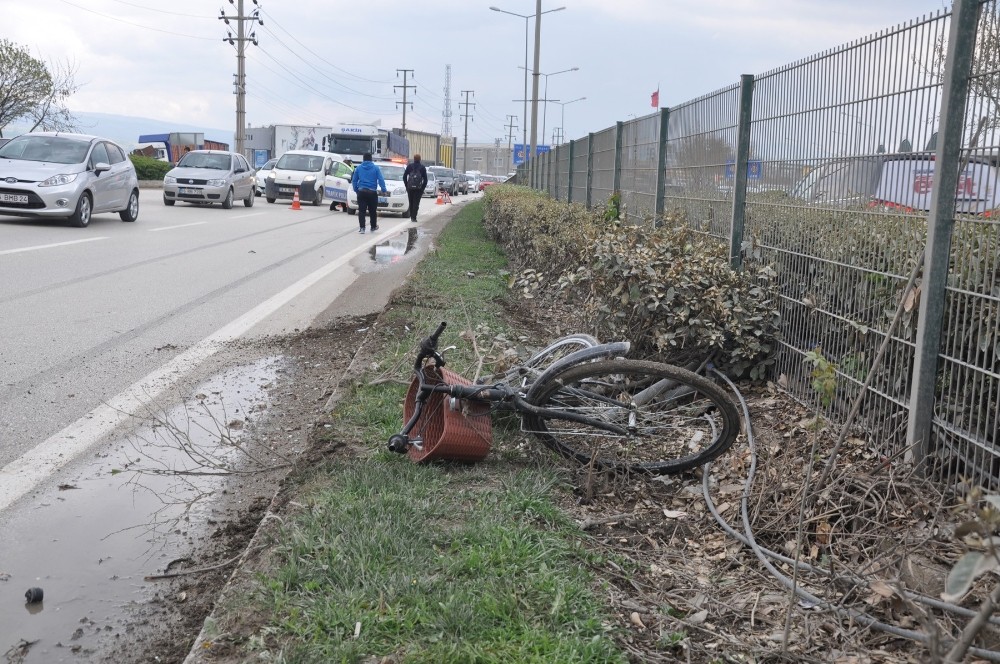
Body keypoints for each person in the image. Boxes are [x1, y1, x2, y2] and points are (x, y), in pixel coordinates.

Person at [351, 152, 388, 233]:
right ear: (371, 159)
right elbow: (381, 179)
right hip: (372, 192)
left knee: (361, 211)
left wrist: (357, 190)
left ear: (363, 159)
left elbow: (354, 180)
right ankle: (373, 226)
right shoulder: (376, 168)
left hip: (362, 192)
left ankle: (362, 228)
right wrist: (384, 190)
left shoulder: (359, 168)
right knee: (372, 211)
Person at [402, 154, 428, 222]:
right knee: (416, 203)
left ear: (414, 159)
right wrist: (422, 188)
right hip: (418, 189)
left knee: (411, 202)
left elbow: (404, 176)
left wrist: (406, 185)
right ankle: (414, 217)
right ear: (420, 159)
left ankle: (411, 216)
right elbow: (425, 180)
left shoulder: (409, 166)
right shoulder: (422, 168)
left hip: (410, 188)